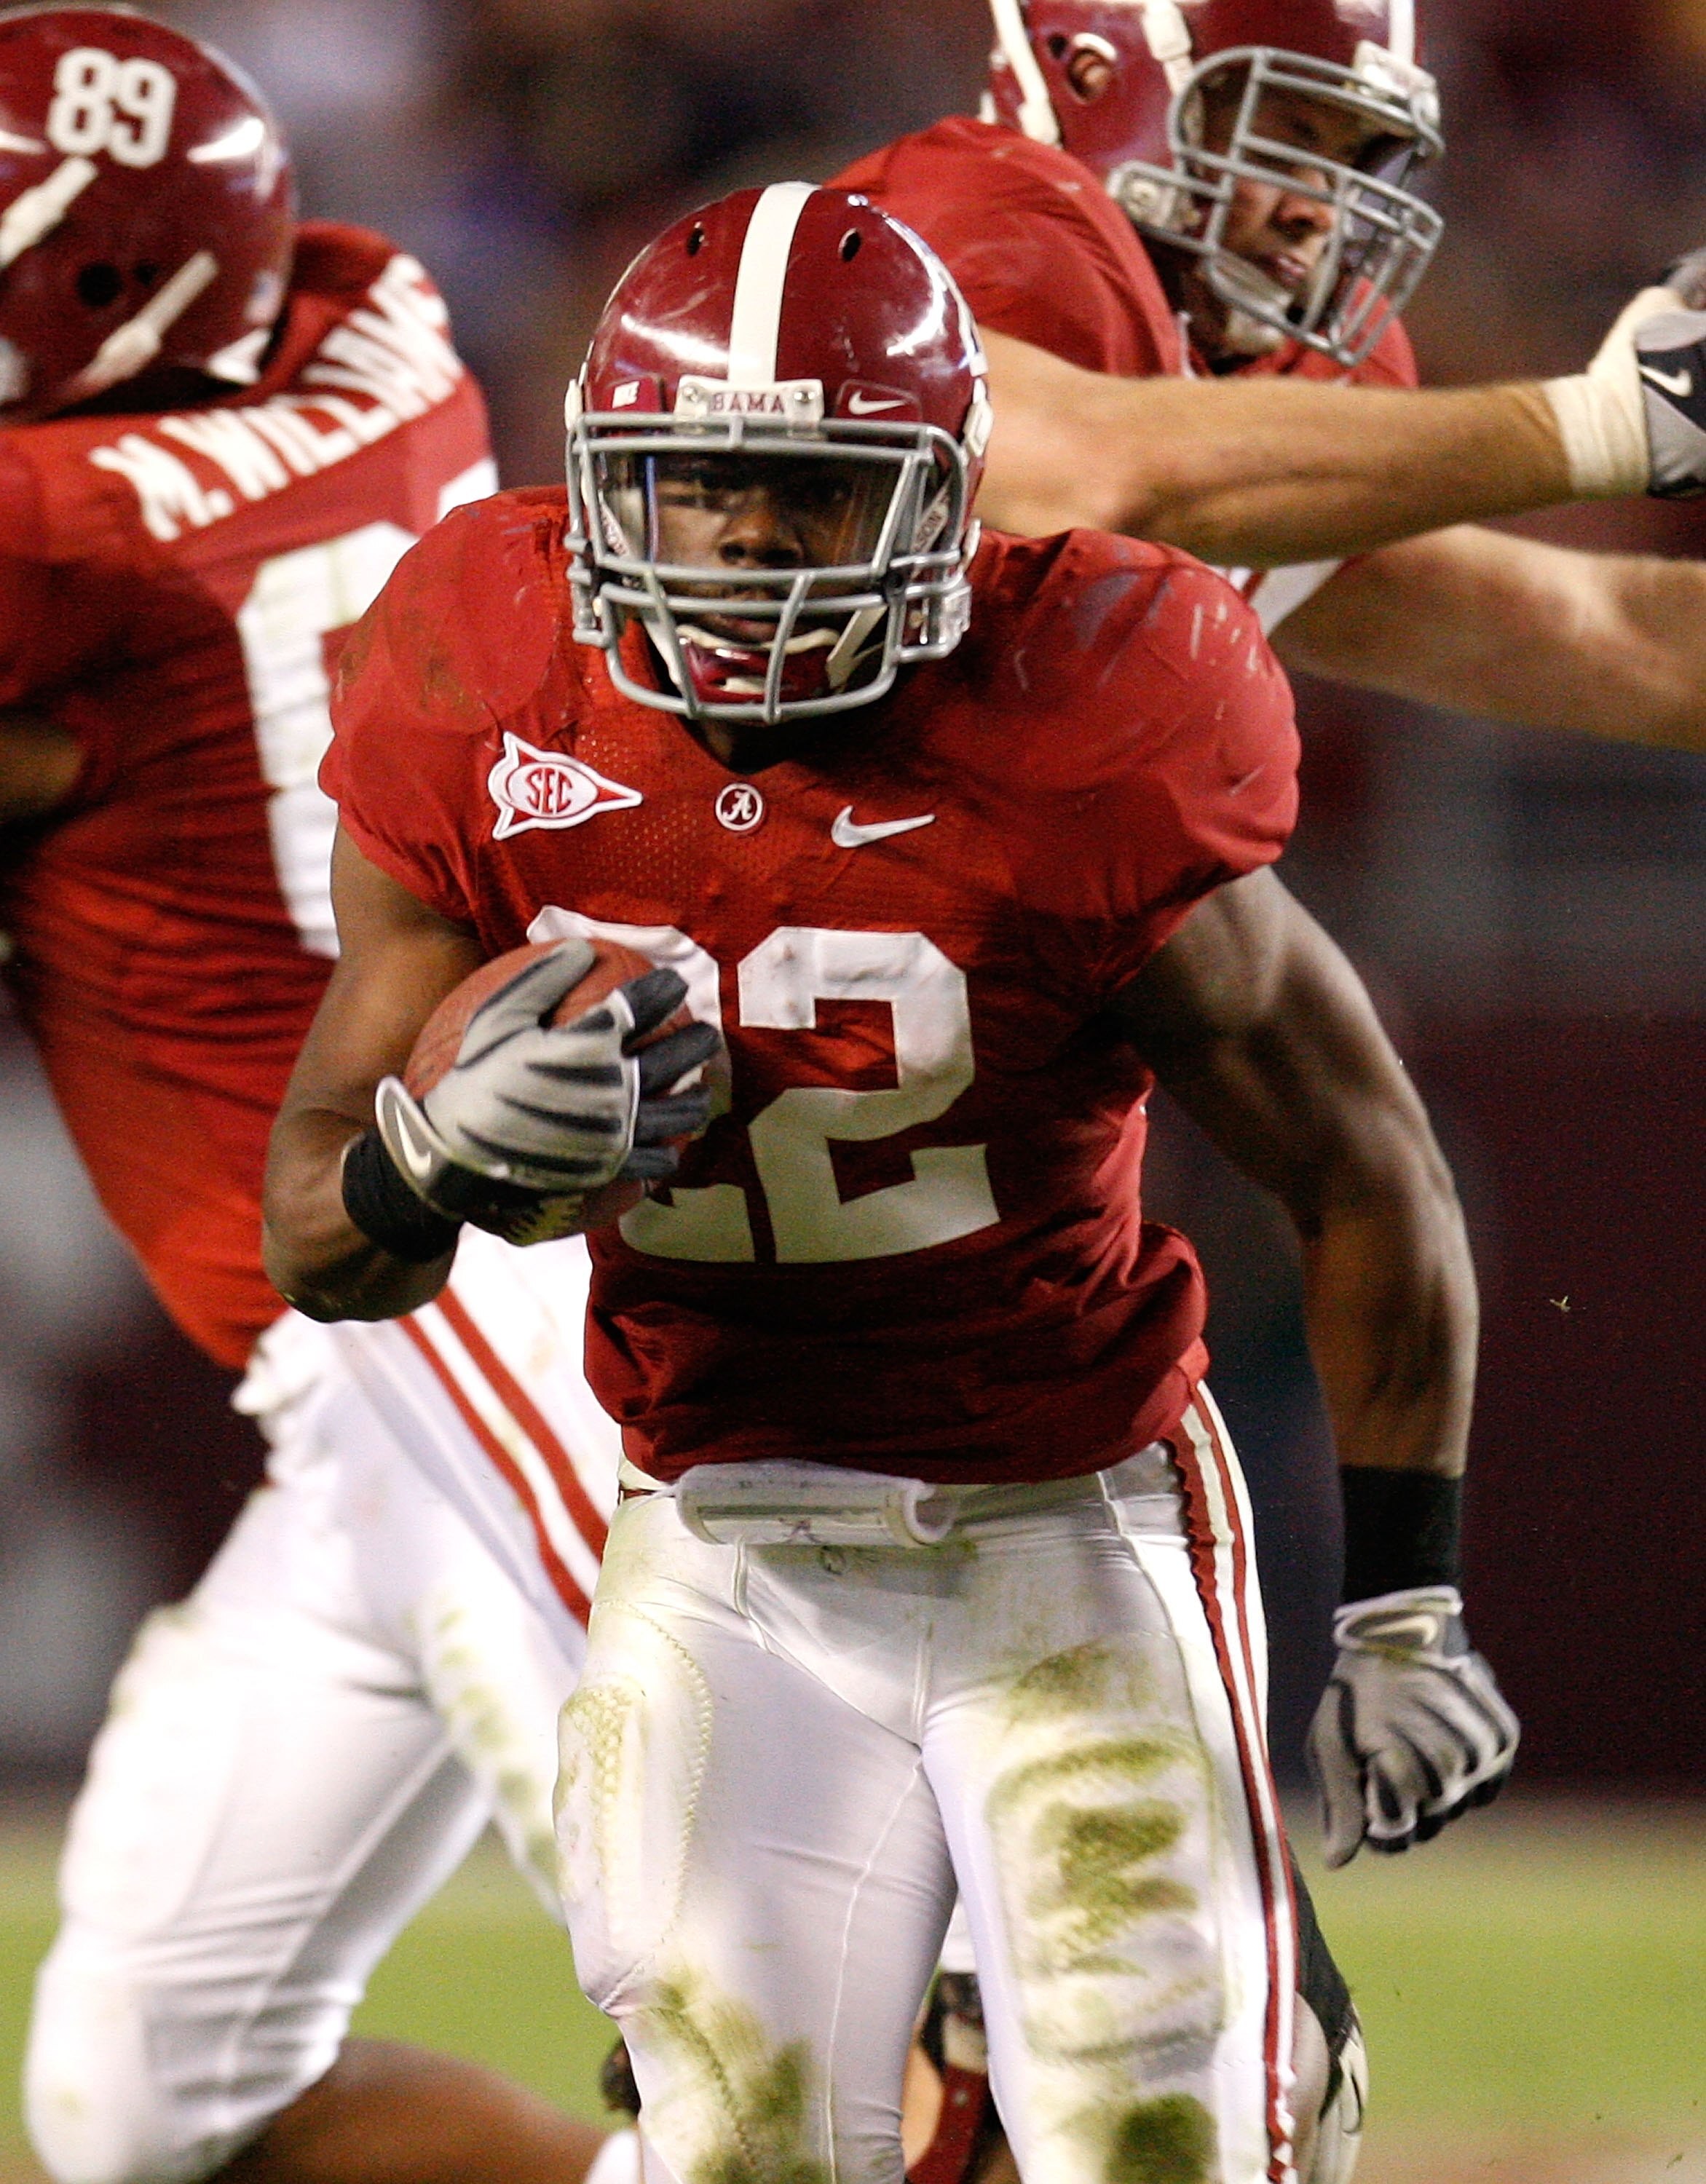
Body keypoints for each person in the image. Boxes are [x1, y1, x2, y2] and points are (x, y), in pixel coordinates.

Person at [266, 183, 1517, 2184]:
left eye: (811, 496)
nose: (745, 544)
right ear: (600, 486)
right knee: (736, 2146)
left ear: (941, 506)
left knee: (1165, 2142)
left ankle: (1243, 1991)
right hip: (722, 1529)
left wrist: (1402, 1604)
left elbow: (1361, 1165)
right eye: (689, 490)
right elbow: (313, 1221)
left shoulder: (1085, 712)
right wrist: (424, 1163)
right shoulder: (482, 684)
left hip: (1069, 1508)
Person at [0, 13, 628, 2181]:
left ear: (87, 296)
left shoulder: (66, 543)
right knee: (155, 2097)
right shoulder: (379, 328)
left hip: (461, 1286)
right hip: (370, 1367)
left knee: (775, 2008)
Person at [834, 0, 1706, 748]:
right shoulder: (969, 222)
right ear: (1098, 77)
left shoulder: (1224, 369)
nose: (1316, 213)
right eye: (1286, 140)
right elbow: (1100, 476)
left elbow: (1611, 638)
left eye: (1354, 161)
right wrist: (1611, 425)